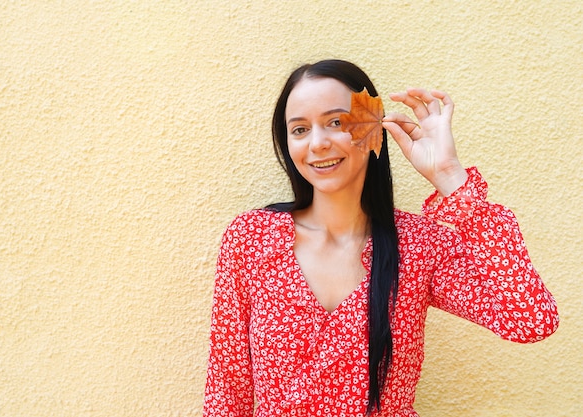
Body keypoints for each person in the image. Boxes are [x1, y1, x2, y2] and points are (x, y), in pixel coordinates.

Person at [203, 59, 559, 416]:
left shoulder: (419, 246)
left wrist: (451, 177)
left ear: (373, 129)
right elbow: (226, 392)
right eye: (299, 129)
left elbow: (530, 320)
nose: (317, 143)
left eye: (336, 122)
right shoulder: (250, 239)